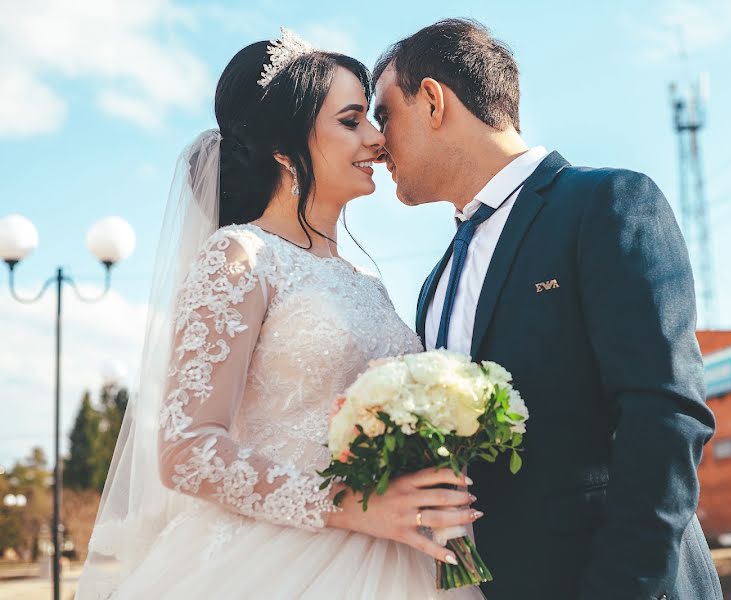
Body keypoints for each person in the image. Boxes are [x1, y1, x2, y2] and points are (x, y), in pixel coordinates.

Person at [76, 29, 483, 600]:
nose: (376, 139)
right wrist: (352, 506)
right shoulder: (241, 256)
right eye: (351, 121)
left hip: (401, 556)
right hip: (278, 564)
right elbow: (186, 450)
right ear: (286, 150)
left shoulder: (364, 277)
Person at [372, 18, 724, 600]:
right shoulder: (434, 285)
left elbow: (665, 416)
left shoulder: (606, 204)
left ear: (432, 100)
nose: (377, 141)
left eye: (385, 113)